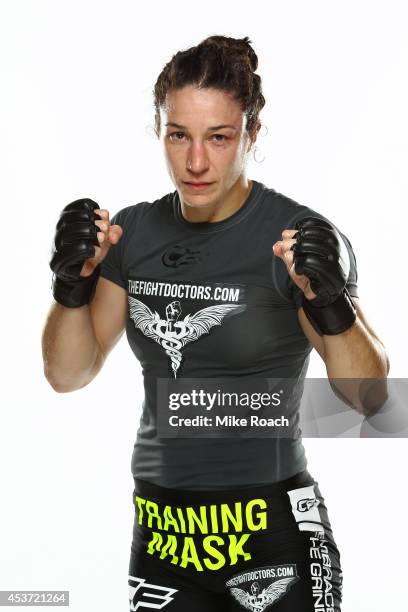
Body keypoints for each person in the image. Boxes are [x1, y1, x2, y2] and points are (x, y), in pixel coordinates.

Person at [42, 35, 389, 611]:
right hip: (161, 533)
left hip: (269, 533)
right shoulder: (135, 234)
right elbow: (67, 374)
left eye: (219, 137)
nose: (196, 161)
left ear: (251, 135)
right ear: (161, 130)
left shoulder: (292, 237)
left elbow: (370, 399)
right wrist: (71, 285)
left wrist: (329, 300)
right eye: (179, 135)